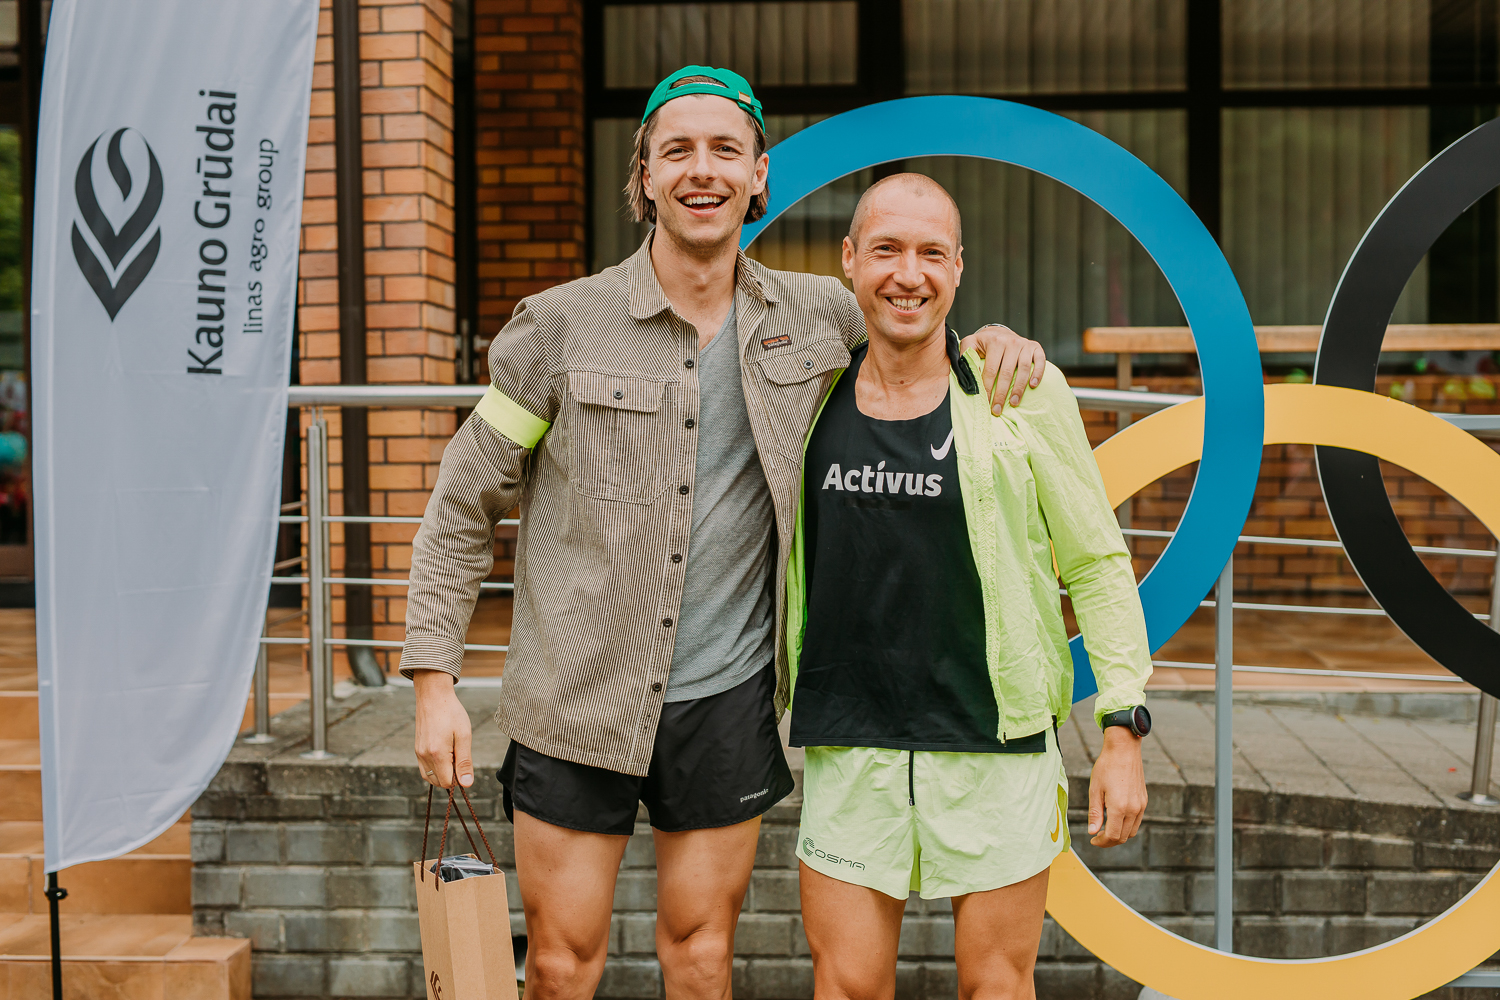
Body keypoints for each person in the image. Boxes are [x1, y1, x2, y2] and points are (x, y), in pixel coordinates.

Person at [399, 66, 1048, 1000]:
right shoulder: (559, 329)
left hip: (725, 696)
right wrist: (434, 682)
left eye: (724, 150)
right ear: (647, 176)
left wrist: (996, 342)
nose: (701, 170)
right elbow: (463, 503)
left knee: (702, 959)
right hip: (575, 696)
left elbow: (915, 320)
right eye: (677, 151)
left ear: (757, 176)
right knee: (557, 963)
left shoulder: (819, 316)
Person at [787, 173, 1153, 1000]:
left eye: (929, 253)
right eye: (885, 249)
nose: (906, 274)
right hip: (851, 741)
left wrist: (1122, 728)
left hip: (996, 743)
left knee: (996, 984)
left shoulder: (1019, 390)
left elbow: (1095, 560)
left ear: (958, 267)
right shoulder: (805, 392)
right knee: (844, 986)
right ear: (849, 261)